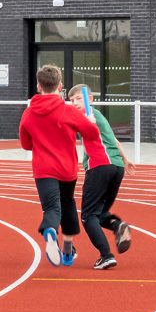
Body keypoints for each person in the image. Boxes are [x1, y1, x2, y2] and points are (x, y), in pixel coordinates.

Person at [19, 65, 107, 268]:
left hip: (43, 169)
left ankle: (50, 229)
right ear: (60, 86)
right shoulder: (67, 110)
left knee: (51, 207)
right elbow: (91, 134)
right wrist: (90, 121)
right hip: (66, 168)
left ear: (38, 85)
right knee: (67, 204)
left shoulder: (29, 113)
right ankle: (67, 248)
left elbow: (25, 144)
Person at [73, 85, 136, 270]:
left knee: (87, 216)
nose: (74, 102)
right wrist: (125, 159)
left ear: (89, 99)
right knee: (100, 214)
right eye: (72, 100)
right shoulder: (99, 116)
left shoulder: (90, 116)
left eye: (78, 98)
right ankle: (118, 225)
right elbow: (114, 139)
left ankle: (106, 255)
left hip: (100, 166)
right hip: (116, 167)